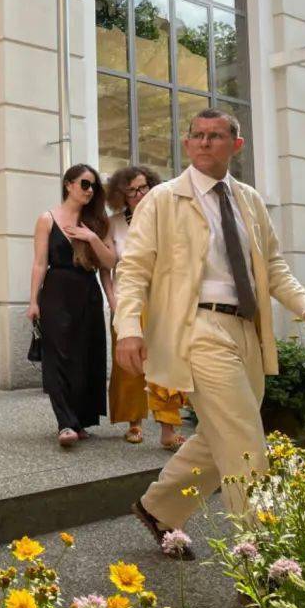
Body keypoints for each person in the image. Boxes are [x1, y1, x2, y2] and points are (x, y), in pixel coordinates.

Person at [115, 108, 305, 558]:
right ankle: (264, 558)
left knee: (221, 435)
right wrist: (128, 328)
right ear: (187, 143)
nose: (204, 142)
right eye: (197, 135)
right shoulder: (162, 200)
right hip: (198, 327)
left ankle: (158, 509)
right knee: (245, 442)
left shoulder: (248, 200)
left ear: (236, 144)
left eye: (215, 135)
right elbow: (133, 270)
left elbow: (273, 266)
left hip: (247, 329)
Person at [27, 164, 116, 447]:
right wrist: (33, 301)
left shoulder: (98, 222)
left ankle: (81, 420)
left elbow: (110, 262)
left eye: (93, 186)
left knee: (86, 355)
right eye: (84, 184)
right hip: (56, 292)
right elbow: (39, 263)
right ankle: (65, 423)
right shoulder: (47, 219)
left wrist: (91, 238)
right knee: (58, 356)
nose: (89, 191)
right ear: (68, 184)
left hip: (88, 292)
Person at [101, 166, 187, 451]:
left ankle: (168, 428)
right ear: (121, 196)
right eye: (131, 191)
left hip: (162, 300)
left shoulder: (165, 219)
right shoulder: (114, 224)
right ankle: (134, 423)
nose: (138, 194)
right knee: (129, 364)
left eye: (142, 187)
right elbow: (107, 269)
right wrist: (114, 303)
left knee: (166, 362)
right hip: (127, 301)